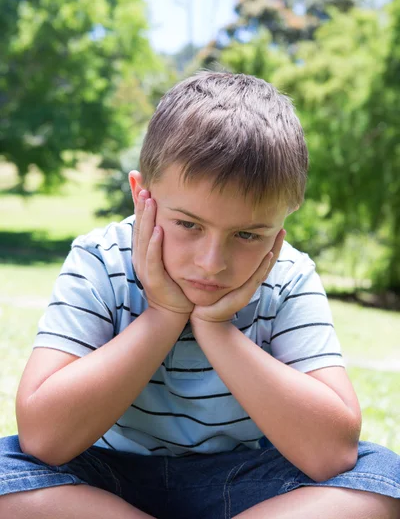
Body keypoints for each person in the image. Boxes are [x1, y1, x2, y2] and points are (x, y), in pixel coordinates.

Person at [0, 72, 399, 519]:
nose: (212, 262)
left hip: (249, 485)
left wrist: (215, 328)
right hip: (106, 483)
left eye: (248, 234)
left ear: (284, 218)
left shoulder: (288, 277)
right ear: (141, 196)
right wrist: (163, 315)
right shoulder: (101, 260)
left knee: (382, 484)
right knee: (6, 477)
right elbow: (43, 439)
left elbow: (332, 454)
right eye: (189, 225)